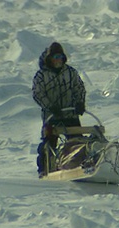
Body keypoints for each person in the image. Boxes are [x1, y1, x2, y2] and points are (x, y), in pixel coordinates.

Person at [32, 42, 86, 177]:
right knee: (48, 144)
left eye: (60, 57)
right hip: (52, 116)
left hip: (70, 114)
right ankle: (45, 170)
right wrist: (50, 106)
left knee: (77, 141)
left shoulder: (70, 73)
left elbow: (79, 88)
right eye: (55, 57)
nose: (58, 60)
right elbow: (38, 94)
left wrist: (79, 103)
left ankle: (78, 164)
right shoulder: (41, 76)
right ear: (50, 59)